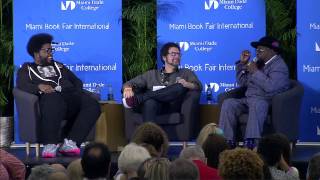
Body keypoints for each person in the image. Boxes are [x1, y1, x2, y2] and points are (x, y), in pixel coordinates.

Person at [16, 33, 101, 158]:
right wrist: (39, 87)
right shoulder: (27, 68)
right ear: (36, 52)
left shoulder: (59, 66)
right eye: (47, 50)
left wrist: (77, 92)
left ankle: (71, 142)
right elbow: (22, 85)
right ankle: (50, 144)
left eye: (52, 50)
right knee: (53, 97)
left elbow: (76, 81)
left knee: (92, 104)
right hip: (50, 102)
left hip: (69, 98)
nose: (51, 53)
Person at [218, 36, 290, 148]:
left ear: (272, 51)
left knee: (257, 104)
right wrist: (242, 64)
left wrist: (255, 71)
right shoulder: (258, 63)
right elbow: (243, 82)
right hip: (248, 100)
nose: (257, 51)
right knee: (228, 103)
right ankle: (227, 142)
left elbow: (272, 87)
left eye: (261, 49)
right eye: (256, 49)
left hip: (265, 100)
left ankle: (251, 143)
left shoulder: (279, 66)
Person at [122, 42, 202, 121]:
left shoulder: (185, 72)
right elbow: (129, 83)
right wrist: (127, 88)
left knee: (179, 86)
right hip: (153, 107)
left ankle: (140, 98)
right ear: (164, 57)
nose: (177, 56)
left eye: (179, 54)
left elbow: (198, 86)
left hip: (171, 107)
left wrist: (186, 84)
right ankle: (149, 134)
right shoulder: (152, 74)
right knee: (150, 102)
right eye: (173, 54)